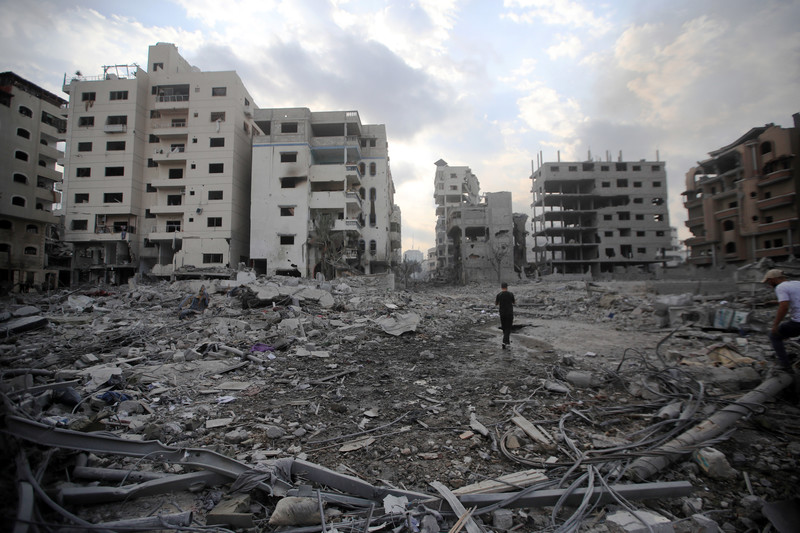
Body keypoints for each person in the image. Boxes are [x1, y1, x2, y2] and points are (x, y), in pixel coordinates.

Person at [763, 269, 800, 371]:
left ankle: (785, 365)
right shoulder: (797, 283)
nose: (769, 284)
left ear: (773, 279)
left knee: (774, 335)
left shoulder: (780, 287)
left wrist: (775, 325)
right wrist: (776, 301)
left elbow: (784, 307)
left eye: (768, 281)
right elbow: (795, 298)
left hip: (798, 322)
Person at [495, 282, 516, 349]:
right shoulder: (510, 294)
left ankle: (507, 342)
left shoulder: (499, 295)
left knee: (504, 328)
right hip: (509, 313)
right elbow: (514, 302)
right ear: (507, 287)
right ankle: (504, 342)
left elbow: (496, 303)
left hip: (502, 313)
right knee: (508, 328)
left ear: (501, 287)